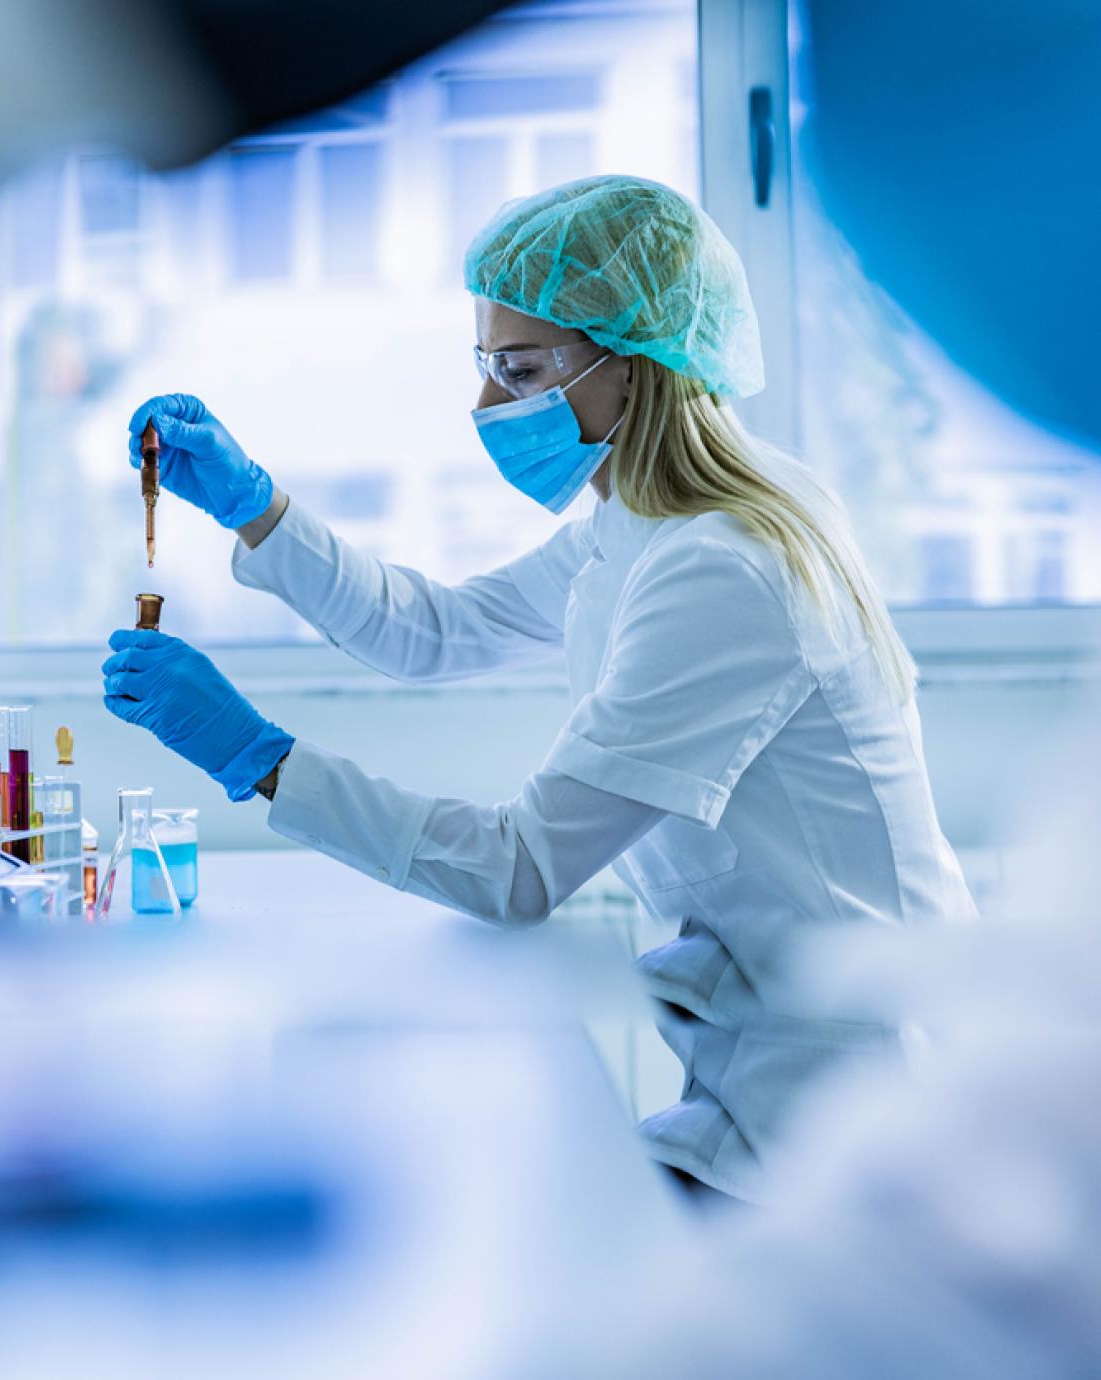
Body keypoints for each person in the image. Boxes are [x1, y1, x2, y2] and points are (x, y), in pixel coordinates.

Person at [100, 174, 976, 1202]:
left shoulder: (723, 564)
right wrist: (256, 507)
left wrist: (256, 758)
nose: (482, 407)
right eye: (485, 367)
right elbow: (432, 631)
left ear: (635, 365)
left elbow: (514, 872)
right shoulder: (646, 524)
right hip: (769, 1088)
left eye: (517, 372)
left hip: (847, 1124)